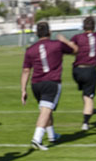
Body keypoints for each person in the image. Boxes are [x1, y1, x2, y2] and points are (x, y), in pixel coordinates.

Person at [21, 22, 78, 150]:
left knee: (46, 110)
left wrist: (23, 90)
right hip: (51, 82)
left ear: (36, 34)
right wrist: (65, 40)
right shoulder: (57, 44)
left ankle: (52, 136)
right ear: (49, 32)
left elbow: (26, 70)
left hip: (36, 84)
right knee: (46, 111)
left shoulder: (30, 50)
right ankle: (37, 139)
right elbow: (75, 51)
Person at [70, 0, 96, 131]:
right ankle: (86, 123)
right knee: (88, 97)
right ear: (94, 27)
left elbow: (71, 49)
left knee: (86, 95)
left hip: (76, 71)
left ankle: (90, 108)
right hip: (90, 70)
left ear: (83, 27)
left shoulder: (77, 37)